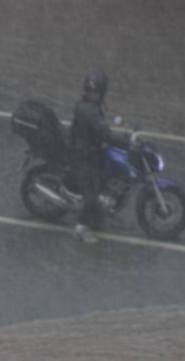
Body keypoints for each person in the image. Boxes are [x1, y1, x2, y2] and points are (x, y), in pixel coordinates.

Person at [68, 70, 126, 243]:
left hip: (91, 149)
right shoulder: (89, 110)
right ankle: (81, 228)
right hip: (83, 154)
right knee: (91, 192)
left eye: (96, 92)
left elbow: (101, 129)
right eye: (91, 91)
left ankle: (97, 214)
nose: (94, 94)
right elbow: (103, 133)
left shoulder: (90, 105)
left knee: (104, 177)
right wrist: (126, 142)